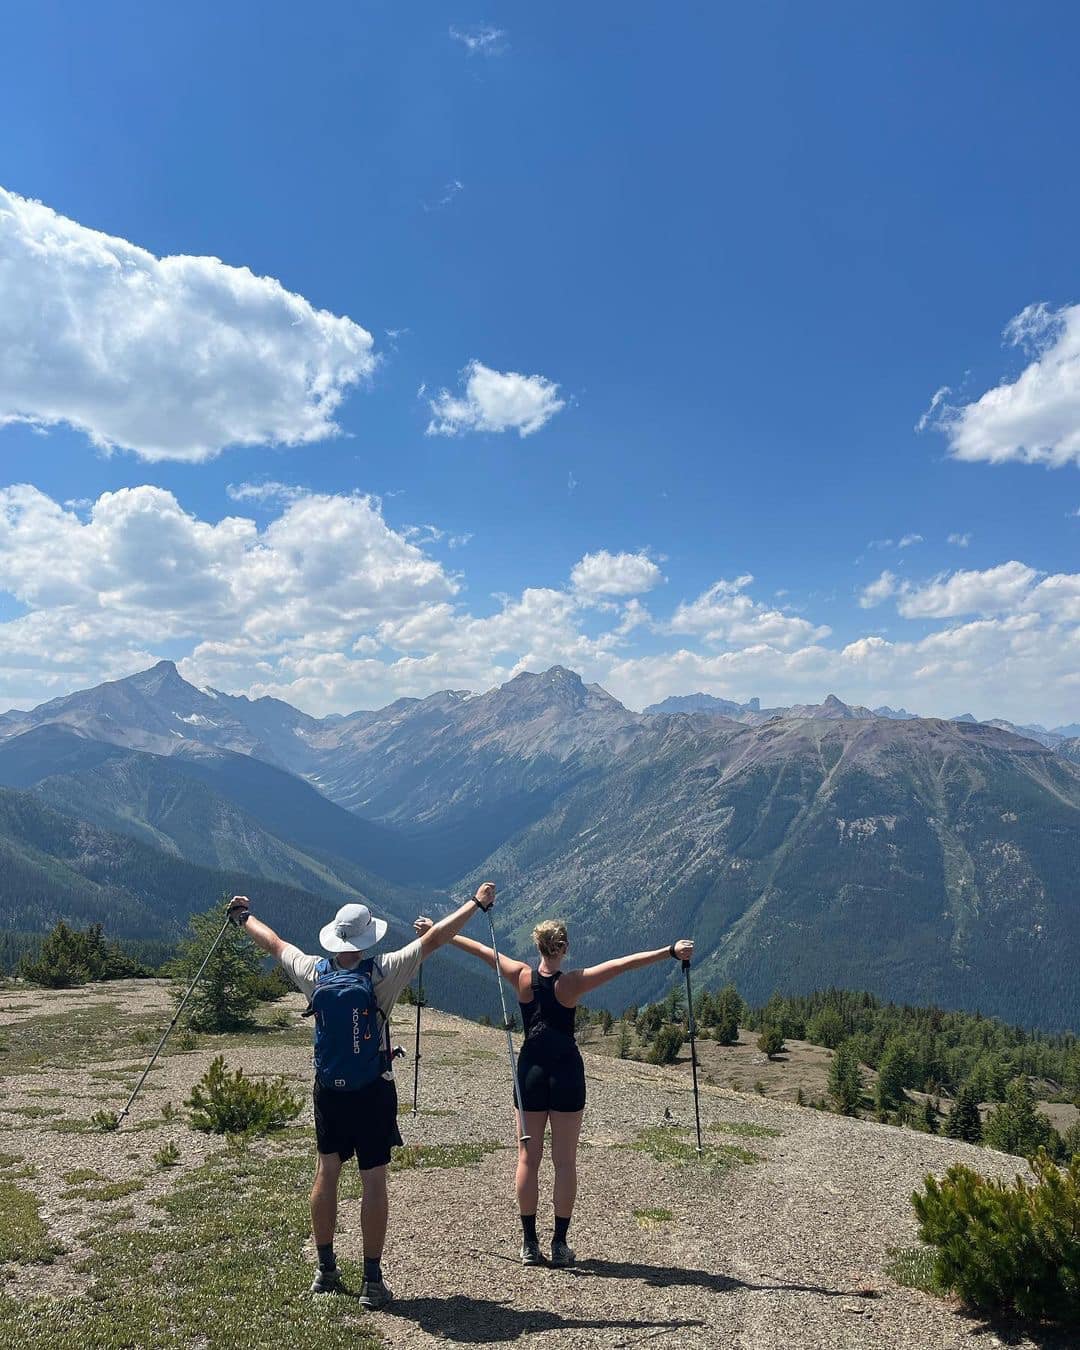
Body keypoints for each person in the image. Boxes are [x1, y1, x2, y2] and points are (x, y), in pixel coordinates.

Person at [225, 884, 496, 1307]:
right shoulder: (385, 970)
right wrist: (476, 905)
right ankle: (372, 1279)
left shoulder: (314, 972)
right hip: (373, 1089)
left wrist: (243, 918)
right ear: (369, 937)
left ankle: (325, 1270)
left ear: (335, 937)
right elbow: (437, 937)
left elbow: (275, 943)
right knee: (373, 1181)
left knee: (326, 1172)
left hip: (328, 1091)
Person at [417, 914, 693, 1267]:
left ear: (538, 947)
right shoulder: (573, 984)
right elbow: (623, 965)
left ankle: (529, 1243)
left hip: (529, 1072)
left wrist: (435, 932)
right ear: (564, 948)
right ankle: (560, 1243)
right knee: (564, 1162)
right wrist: (670, 951)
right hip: (566, 1074)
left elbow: (479, 949)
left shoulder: (519, 975)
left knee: (527, 1160)